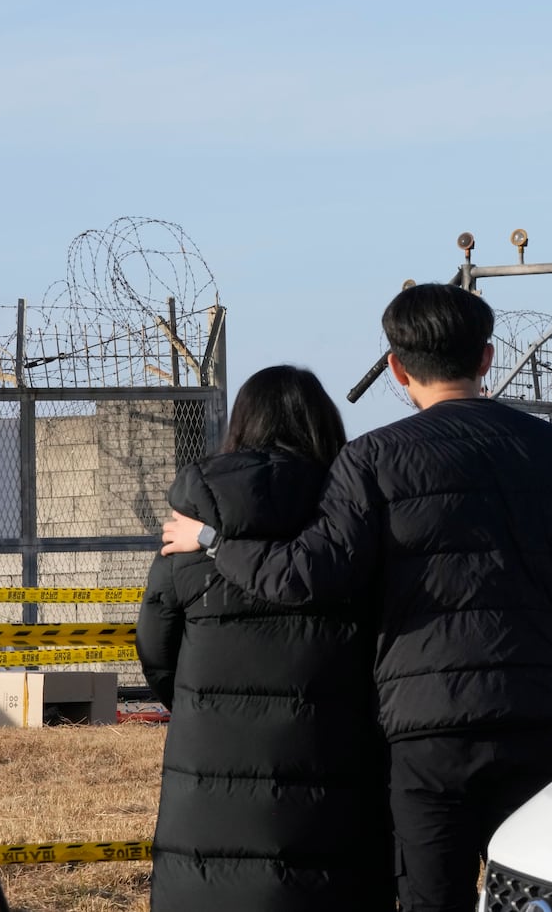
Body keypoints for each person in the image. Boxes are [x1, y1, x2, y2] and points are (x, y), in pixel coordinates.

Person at [161, 283, 552, 912]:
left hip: (427, 725)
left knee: (428, 895)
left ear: (396, 368)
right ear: (487, 358)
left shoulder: (374, 458)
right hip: (538, 715)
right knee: (534, 892)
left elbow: (307, 577)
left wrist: (216, 542)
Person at [136, 365, 391, 912]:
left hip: (210, 765)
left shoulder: (192, 522)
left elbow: (157, 645)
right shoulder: (355, 515)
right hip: (336, 755)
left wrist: (199, 704)